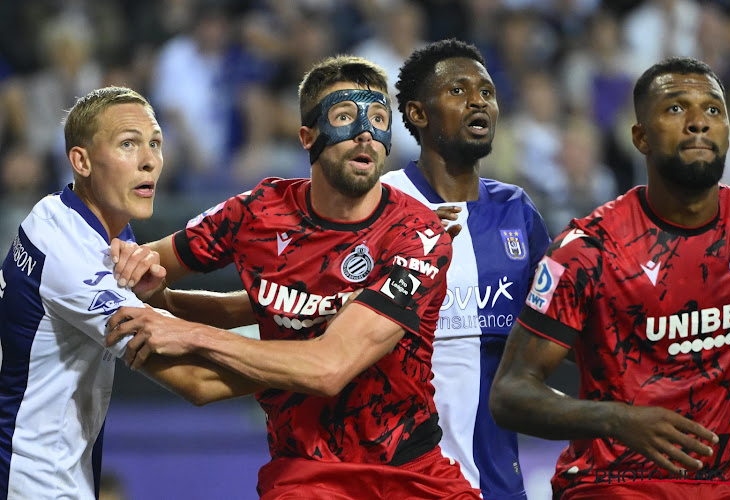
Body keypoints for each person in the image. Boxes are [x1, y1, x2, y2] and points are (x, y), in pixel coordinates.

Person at [106, 55, 481, 499]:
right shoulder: (255, 213)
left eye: (379, 119)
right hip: (307, 476)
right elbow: (143, 266)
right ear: (308, 137)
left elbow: (328, 368)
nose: (365, 131)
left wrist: (187, 332)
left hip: (412, 475)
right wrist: (155, 293)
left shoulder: (417, 235)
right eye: (344, 116)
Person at [489, 57, 730, 499]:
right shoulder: (587, 250)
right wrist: (616, 419)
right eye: (675, 108)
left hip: (720, 484)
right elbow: (511, 393)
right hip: (610, 485)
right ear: (640, 137)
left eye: (713, 110)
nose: (698, 124)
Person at [0, 86, 259, 500]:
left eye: (155, 143)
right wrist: (309, 360)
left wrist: (275, 311)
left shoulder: (79, 220)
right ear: (80, 161)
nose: (149, 160)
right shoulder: (72, 255)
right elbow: (197, 380)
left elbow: (170, 322)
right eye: (128, 144)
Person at [380, 39, 551, 499]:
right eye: (458, 90)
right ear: (417, 113)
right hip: (403, 478)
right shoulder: (381, 205)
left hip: (498, 480)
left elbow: (562, 328)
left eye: (488, 92)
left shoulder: (517, 210)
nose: (479, 101)